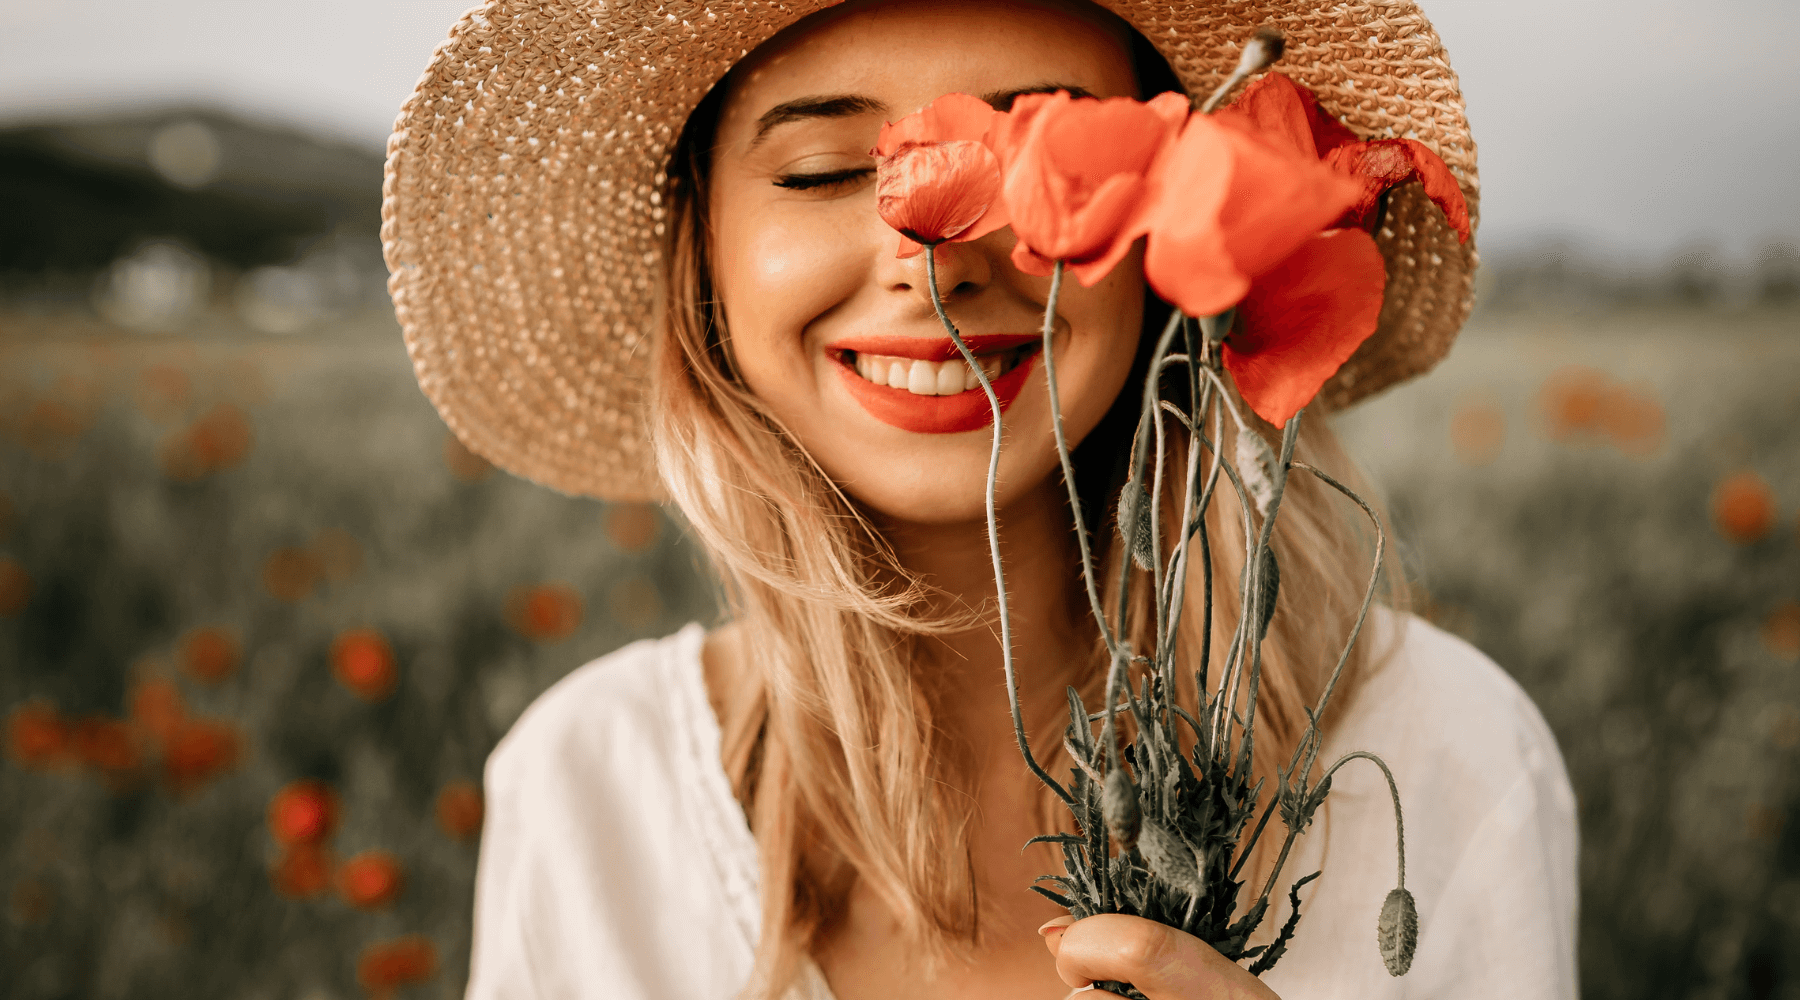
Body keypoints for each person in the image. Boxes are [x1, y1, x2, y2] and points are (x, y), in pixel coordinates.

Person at [382, 1, 1578, 997]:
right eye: (822, 170)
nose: (935, 255)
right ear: (699, 251)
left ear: (1178, 213)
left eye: (1048, 155)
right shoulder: (590, 790)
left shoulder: (1446, 756)